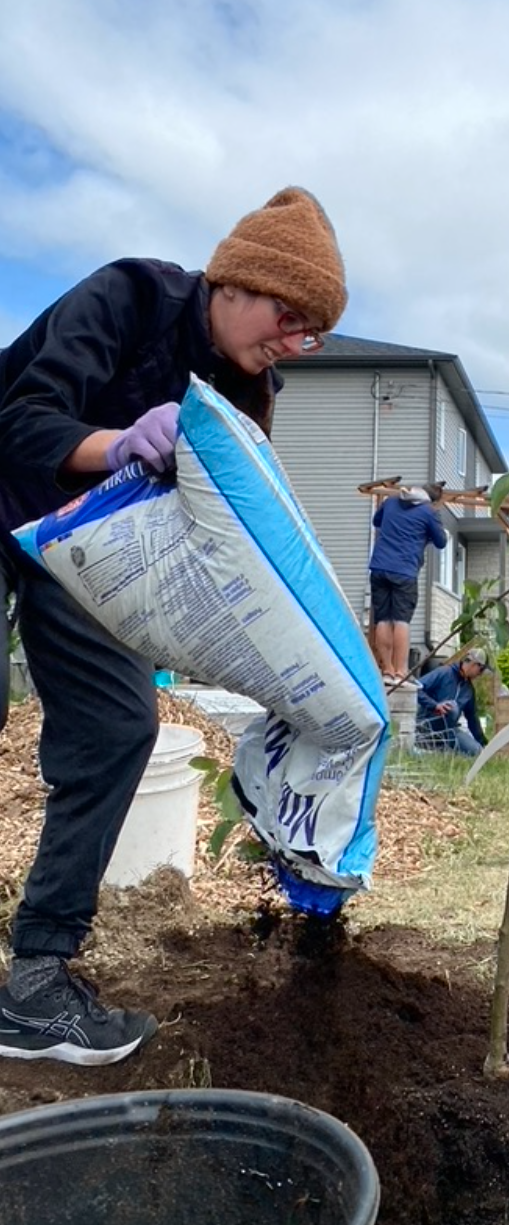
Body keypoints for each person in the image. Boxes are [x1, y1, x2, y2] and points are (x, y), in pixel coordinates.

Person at [0, 186, 347, 1065]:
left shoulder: (246, 391)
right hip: (9, 488)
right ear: (234, 281)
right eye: (288, 316)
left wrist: (296, 670)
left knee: (119, 729)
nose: (292, 342)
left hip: (86, 550)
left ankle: (35, 984)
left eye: (310, 333)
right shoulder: (132, 297)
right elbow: (20, 420)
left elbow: (234, 535)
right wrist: (118, 442)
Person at [369, 485, 447, 683]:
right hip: (404, 572)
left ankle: (387, 670)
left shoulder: (391, 501)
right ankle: (400, 672)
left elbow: (376, 521)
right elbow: (441, 542)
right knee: (401, 620)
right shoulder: (429, 511)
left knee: (383, 619)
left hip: (379, 567)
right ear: (434, 500)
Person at [414, 648, 490, 756]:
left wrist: (484, 744)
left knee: (477, 751)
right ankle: (431, 746)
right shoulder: (444, 673)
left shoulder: (469, 690)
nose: (480, 674)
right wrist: (434, 706)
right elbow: (415, 688)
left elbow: (472, 719)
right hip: (426, 727)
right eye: (481, 670)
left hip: (449, 731)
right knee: (452, 707)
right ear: (475, 664)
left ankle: (444, 748)